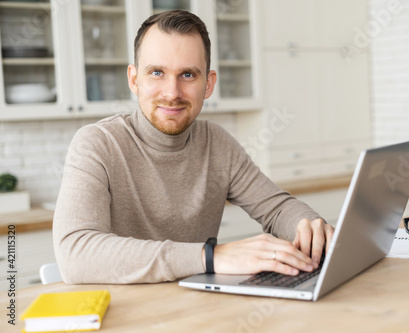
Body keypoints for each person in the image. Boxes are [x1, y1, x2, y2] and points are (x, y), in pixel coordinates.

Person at [53, 10, 334, 284]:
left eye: (187, 75)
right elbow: (75, 254)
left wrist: (309, 226)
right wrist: (209, 257)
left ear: (208, 84)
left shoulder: (217, 143)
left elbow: (277, 208)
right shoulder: (97, 143)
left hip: (197, 309)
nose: (172, 93)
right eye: (157, 73)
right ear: (134, 80)